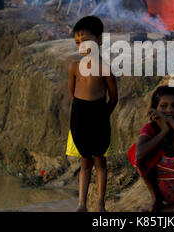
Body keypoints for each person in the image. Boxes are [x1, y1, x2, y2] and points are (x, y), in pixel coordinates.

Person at [66, 16, 118, 212]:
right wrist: (81, 114)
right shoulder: (73, 67)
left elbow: (114, 98)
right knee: (85, 162)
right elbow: (72, 95)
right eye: (77, 42)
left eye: (86, 41)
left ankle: (100, 204)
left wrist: (104, 115)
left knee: (100, 162)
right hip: (80, 118)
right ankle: (81, 204)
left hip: (99, 118)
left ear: (99, 40)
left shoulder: (105, 68)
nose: (81, 46)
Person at [127, 86, 174, 212]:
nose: (169, 110)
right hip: (163, 188)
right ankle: (155, 199)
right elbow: (139, 154)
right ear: (155, 109)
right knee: (134, 150)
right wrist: (164, 130)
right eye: (163, 106)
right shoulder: (150, 128)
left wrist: (170, 121)